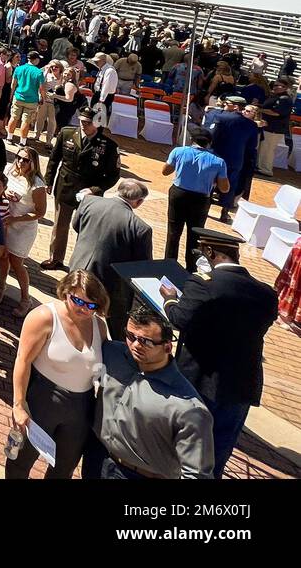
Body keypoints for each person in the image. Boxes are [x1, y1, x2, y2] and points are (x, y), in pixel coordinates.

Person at [160, 227, 277, 478]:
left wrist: (169, 298)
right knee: (218, 453)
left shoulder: (203, 284)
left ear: (210, 252)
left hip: (199, 383)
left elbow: (180, 318)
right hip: (241, 386)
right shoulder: (267, 294)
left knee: (183, 450)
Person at [84, 304, 214, 479]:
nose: (135, 345)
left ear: (168, 347)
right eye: (130, 336)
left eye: (146, 341)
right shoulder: (111, 353)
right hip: (97, 457)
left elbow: (196, 475)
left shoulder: (190, 409)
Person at [5, 270, 109, 479]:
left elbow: (101, 367)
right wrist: (18, 404)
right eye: (77, 300)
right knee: (20, 463)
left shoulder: (99, 325)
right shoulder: (44, 317)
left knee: (64, 470)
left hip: (80, 409)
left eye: (91, 305)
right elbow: (22, 361)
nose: (83, 308)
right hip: (42, 401)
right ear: (65, 292)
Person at [68, 180, 153, 340]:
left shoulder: (88, 201)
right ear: (139, 202)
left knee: (69, 309)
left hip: (77, 269)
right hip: (109, 285)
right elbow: (142, 267)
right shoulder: (140, 228)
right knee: (118, 326)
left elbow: (76, 225)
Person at [42, 107, 120, 271]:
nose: (83, 125)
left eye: (88, 122)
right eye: (82, 121)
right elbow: (54, 159)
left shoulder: (108, 146)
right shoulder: (67, 133)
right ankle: (55, 258)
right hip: (65, 187)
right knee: (60, 226)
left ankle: (80, 264)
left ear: (97, 123)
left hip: (89, 193)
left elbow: (113, 176)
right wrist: (48, 181)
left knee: (85, 230)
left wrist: (95, 189)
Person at [161, 128, 230, 271]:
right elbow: (225, 189)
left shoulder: (179, 152)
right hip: (200, 199)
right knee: (195, 235)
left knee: (173, 232)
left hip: (178, 194)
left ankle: (168, 265)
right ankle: (191, 268)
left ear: (192, 139)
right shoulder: (218, 162)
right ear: (209, 144)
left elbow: (165, 171)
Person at [0, 147, 47, 316]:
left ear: (33, 163)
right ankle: (1, 286)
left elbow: (40, 212)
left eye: (25, 160)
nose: (20, 162)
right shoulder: (9, 171)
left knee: (17, 263)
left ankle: (26, 299)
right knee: (3, 256)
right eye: (18, 157)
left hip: (23, 228)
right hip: (6, 222)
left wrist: (16, 219)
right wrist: (5, 192)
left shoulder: (37, 185)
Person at [206, 96, 261, 223]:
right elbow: (251, 147)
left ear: (235, 106)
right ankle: (224, 213)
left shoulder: (221, 117)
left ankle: (206, 207)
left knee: (211, 183)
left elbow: (212, 137)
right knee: (230, 186)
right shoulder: (252, 125)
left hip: (217, 155)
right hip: (236, 159)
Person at [8, 50, 46, 146]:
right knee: (26, 121)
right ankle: (22, 142)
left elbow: (13, 84)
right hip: (32, 100)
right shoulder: (39, 72)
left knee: (14, 117)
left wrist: (11, 95)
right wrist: (42, 98)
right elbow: (42, 88)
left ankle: (9, 138)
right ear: (36, 59)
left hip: (18, 97)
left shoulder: (18, 69)